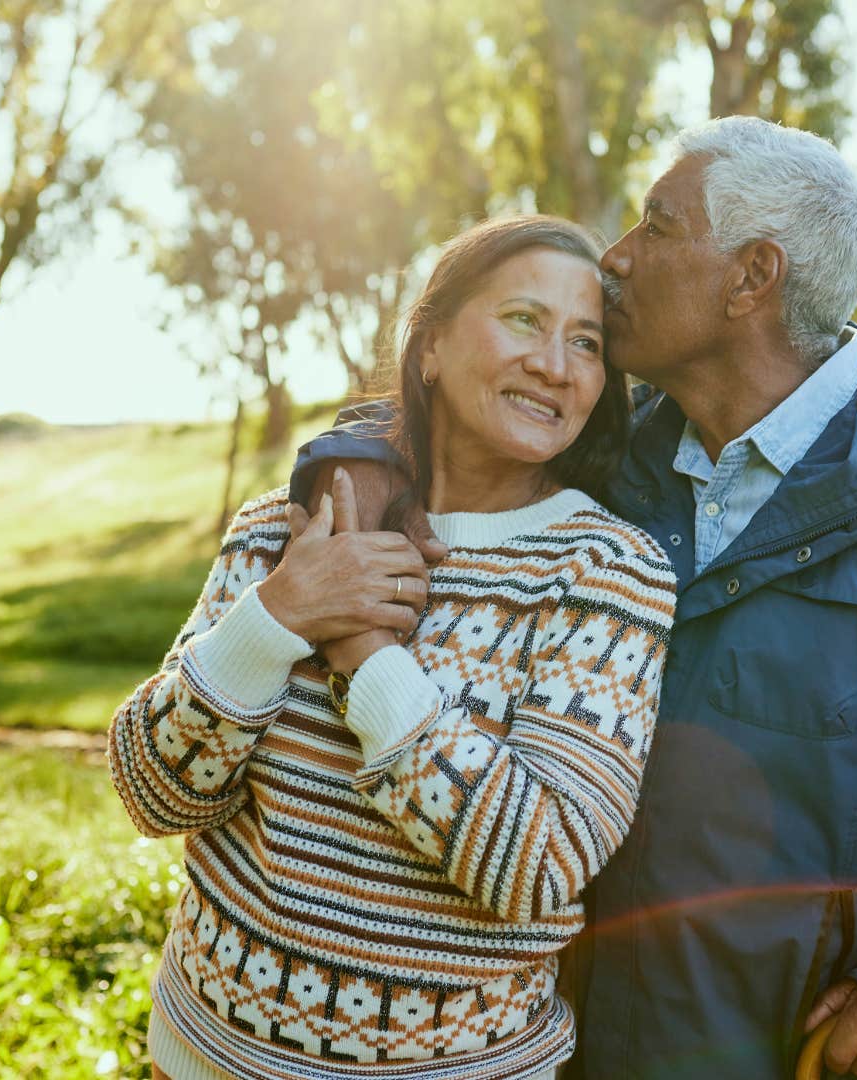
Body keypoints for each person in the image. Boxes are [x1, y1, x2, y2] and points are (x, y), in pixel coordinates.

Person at [293, 117, 857, 1080]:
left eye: (656, 225)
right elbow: (426, 412)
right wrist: (353, 477)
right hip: (558, 1049)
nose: (615, 258)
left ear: (750, 278)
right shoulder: (615, 450)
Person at [108, 215, 677, 1080]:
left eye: (587, 342)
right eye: (523, 318)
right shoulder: (281, 530)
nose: (556, 365)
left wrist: (367, 653)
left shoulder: (607, 571)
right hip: (199, 1054)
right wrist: (278, 614)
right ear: (431, 347)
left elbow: (538, 865)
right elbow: (154, 794)